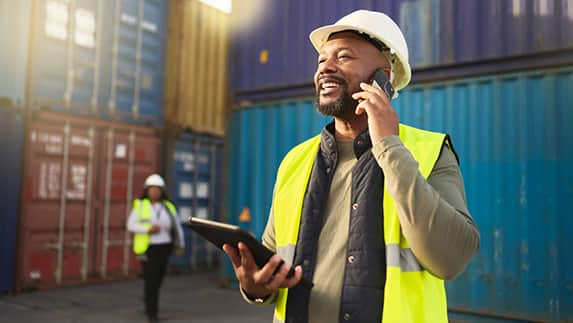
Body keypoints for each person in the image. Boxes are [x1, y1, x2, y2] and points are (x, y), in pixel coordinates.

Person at [223, 9, 480, 323]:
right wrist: (256, 287)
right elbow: (273, 267)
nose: (325, 68)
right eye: (321, 61)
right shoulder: (296, 160)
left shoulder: (429, 152)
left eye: (343, 57)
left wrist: (388, 145)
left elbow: (450, 258)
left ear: (383, 76)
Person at [127, 173, 185, 322]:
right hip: (149, 248)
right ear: (147, 190)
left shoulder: (169, 206)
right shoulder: (140, 206)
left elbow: (177, 227)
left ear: (162, 191)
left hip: (164, 247)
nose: (154, 192)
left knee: (158, 279)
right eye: (152, 189)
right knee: (151, 280)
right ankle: (152, 314)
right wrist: (148, 229)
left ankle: (148, 300)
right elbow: (130, 225)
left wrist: (181, 245)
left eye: (157, 189)